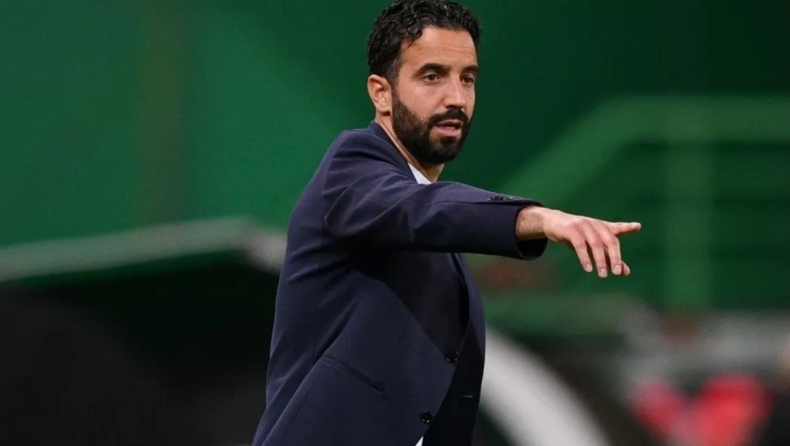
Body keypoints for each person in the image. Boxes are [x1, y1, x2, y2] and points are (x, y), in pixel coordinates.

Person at [251, 1, 641, 445]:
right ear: (381, 93)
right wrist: (537, 217)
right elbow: (423, 209)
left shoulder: (435, 225)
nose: (456, 98)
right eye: (432, 76)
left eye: (467, 78)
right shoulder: (352, 168)